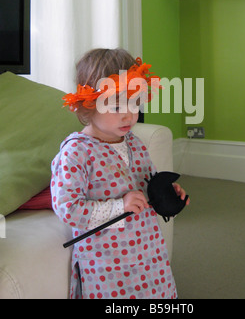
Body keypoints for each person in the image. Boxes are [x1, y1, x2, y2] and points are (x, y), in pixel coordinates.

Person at [51, 48, 189, 299]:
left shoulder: (133, 142)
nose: (129, 114)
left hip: (148, 253)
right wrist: (119, 206)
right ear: (88, 105)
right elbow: (67, 208)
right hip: (106, 263)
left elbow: (149, 185)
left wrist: (167, 194)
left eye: (135, 103)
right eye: (116, 105)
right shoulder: (76, 152)